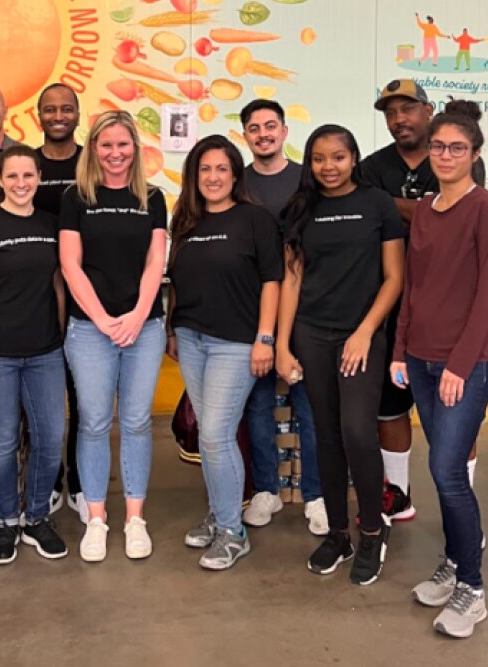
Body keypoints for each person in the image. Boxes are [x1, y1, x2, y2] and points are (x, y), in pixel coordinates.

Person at [390, 100, 488, 639]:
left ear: (475, 154)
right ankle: (453, 562)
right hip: (418, 358)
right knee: (440, 471)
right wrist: (400, 349)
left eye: (456, 148)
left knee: (446, 472)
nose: (444, 154)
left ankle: (473, 588)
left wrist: (462, 364)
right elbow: (413, 289)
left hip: (466, 364)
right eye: (437, 146)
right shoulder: (427, 211)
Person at [276, 124, 404, 585]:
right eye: (318, 159)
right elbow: (292, 280)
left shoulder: (377, 205)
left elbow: (394, 277)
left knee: (357, 432)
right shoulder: (301, 209)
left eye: (338, 157)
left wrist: (366, 331)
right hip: (312, 333)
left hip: (361, 337)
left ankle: (371, 530)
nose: (328, 167)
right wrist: (283, 345)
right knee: (325, 435)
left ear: (354, 158)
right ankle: (337, 533)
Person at [358, 79, 486, 523]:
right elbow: (372, 215)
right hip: (393, 305)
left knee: (457, 418)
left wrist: (401, 206)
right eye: (390, 113)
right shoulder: (372, 166)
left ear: (428, 110)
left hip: (452, 313)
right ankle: (399, 495)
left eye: (407, 109)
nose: (399, 120)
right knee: (389, 408)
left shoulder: (456, 157)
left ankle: (461, 508)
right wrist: (427, 205)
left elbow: (458, 209)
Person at [168, 135, 282, 570]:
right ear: (194, 177)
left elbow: (272, 279)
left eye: (221, 169)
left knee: (216, 435)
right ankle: (219, 516)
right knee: (212, 438)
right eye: (205, 170)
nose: (213, 177)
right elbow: (177, 281)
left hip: (237, 343)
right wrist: (172, 328)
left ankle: (233, 533)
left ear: (235, 174)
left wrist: (265, 338)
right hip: (192, 339)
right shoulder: (186, 221)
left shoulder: (254, 220)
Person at [59, 110, 167, 563]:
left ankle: (135, 518)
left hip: (144, 328)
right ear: (93, 150)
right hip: (89, 329)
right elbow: (70, 264)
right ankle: (97, 519)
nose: (115, 153)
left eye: (124, 145)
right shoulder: (75, 197)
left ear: (135, 150)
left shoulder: (154, 197)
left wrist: (137, 316)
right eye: (106, 145)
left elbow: (154, 263)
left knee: (139, 422)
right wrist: (104, 319)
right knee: (95, 422)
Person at [0, 144, 68, 565]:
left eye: (29, 175)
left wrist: (59, 336)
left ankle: (37, 517)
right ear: (0, 180)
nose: (21, 183)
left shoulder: (51, 226)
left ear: (39, 178)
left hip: (45, 353)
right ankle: (7, 523)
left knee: (48, 439)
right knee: (2, 443)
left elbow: (57, 285)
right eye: (13, 176)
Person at [237, 98, 326, 536]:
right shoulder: (239, 184)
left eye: (271, 126)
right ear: (245, 136)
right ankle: (266, 491)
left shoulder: (305, 181)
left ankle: (315, 494)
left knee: (308, 404)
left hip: (306, 308)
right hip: (249, 312)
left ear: (285, 131)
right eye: (254, 128)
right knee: (257, 405)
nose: (263, 134)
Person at [33, 82, 87, 523]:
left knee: (84, 399)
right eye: (50, 109)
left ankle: (81, 482)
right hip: (34, 298)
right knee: (43, 402)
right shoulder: (25, 165)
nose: (58, 115)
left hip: (86, 296)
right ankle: (48, 479)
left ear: (77, 114)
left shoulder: (92, 163)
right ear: (38, 116)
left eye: (66, 109)